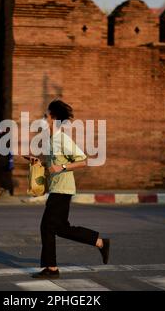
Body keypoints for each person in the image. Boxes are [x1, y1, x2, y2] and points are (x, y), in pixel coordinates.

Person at [30, 100, 110, 279]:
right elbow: (53, 165)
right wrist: (39, 163)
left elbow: (82, 160)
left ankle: (52, 268)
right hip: (56, 189)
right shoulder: (51, 139)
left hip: (63, 190)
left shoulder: (62, 139)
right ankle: (99, 242)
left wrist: (62, 167)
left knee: (49, 227)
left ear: (54, 118)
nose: (43, 119)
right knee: (58, 228)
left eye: (45, 116)